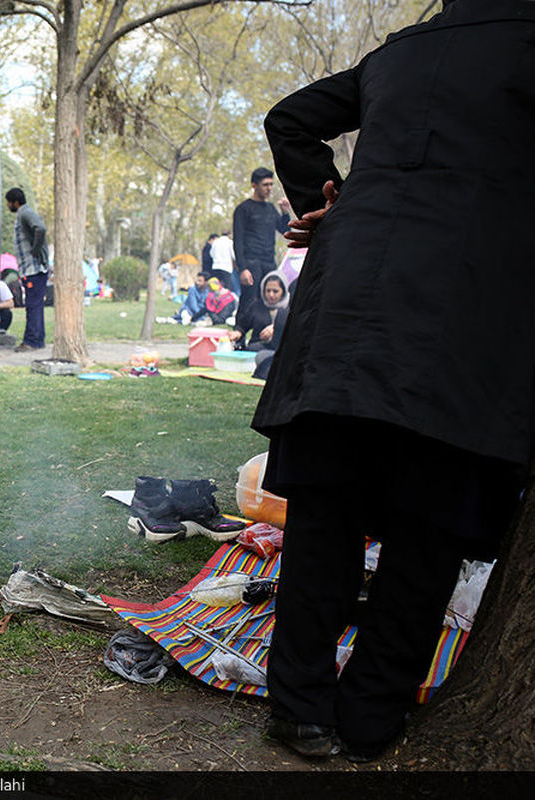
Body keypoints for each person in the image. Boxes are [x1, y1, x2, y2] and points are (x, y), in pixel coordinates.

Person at [253, 0, 534, 763]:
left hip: (346, 303)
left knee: (325, 519)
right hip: (464, 311)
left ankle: (300, 707)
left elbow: (289, 118)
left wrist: (328, 199)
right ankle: (371, 715)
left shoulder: (398, 54)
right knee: (428, 528)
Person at [233, 167, 291, 298]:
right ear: (254, 185)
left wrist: (285, 213)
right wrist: (242, 269)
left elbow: (285, 231)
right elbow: (238, 241)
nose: (269, 188)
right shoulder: (243, 209)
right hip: (251, 264)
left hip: (269, 262)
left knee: (268, 302)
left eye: (271, 184)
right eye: (265, 184)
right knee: (249, 302)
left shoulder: (270, 208)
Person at [5, 187, 49, 353]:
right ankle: (38, 340)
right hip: (29, 269)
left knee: (32, 305)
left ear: (15, 202)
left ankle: (31, 341)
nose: (8, 205)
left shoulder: (25, 213)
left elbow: (40, 229)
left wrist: (36, 250)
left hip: (34, 269)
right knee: (35, 305)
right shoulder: (22, 214)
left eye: (9, 202)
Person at [233, 272, 288, 349]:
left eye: (275, 291)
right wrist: (237, 333)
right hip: (257, 347)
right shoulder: (257, 306)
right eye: (268, 291)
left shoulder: (289, 308)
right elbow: (243, 325)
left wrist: (275, 329)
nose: (271, 295)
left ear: (283, 291)